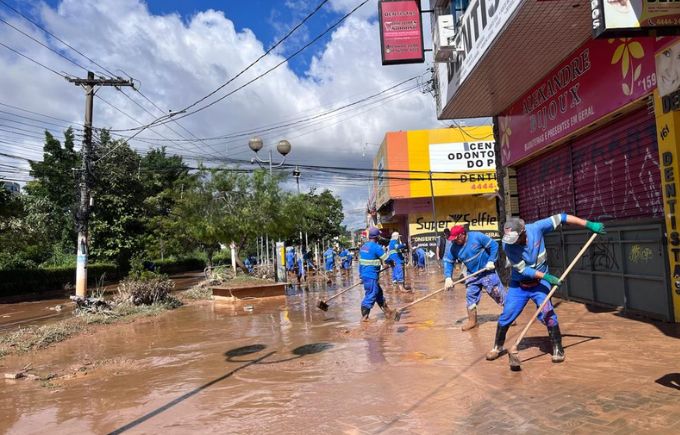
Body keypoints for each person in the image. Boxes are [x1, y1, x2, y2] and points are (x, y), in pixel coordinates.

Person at [486, 213, 606, 363]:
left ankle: (557, 347)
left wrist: (589, 225)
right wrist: (547, 277)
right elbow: (524, 270)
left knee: (547, 312)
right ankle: (497, 347)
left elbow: (562, 217)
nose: (513, 243)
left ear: (523, 231)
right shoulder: (508, 245)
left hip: (539, 285)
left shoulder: (536, 228)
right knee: (507, 314)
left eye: (516, 239)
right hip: (519, 285)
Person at [443, 225, 506, 331]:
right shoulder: (454, 248)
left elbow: (494, 245)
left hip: (487, 271)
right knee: (470, 297)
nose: (454, 241)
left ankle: (510, 317)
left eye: (456, 238)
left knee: (498, 294)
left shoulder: (477, 236)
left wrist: (491, 260)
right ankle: (472, 321)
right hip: (472, 274)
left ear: (462, 234)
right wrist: (448, 277)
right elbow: (448, 261)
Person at [358, 227, 395, 321]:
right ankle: (365, 317)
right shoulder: (376, 247)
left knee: (378, 293)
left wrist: (361, 276)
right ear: (377, 236)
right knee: (371, 294)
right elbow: (386, 259)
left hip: (365, 274)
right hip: (371, 275)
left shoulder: (364, 247)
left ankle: (388, 312)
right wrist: (392, 263)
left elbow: (361, 262)